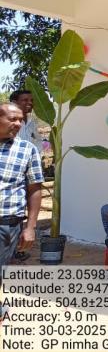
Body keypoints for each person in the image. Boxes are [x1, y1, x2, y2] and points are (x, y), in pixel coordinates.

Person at [0, 103, 43, 276]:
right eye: (12, 119)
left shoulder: (27, 150)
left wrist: (30, 227)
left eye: (20, 120)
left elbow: (34, 189)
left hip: (7, 226)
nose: (18, 124)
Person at [10, 89, 43, 263]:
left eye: (31, 100)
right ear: (14, 102)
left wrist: (36, 161)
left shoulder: (31, 123)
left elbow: (38, 142)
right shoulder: (7, 123)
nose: (29, 103)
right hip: (11, 172)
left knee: (21, 210)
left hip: (28, 172)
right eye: (25, 100)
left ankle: (17, 248)